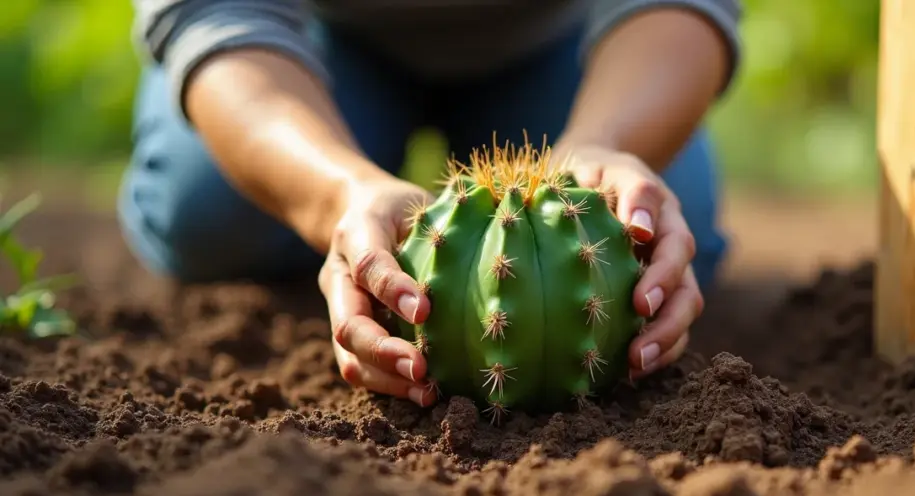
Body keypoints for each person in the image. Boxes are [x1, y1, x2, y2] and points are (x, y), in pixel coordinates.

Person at [122, 0, 743, 408]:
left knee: (659, 215)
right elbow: (215, 12)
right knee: (205, 204)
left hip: (564, 39)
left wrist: (604, 146)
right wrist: (342, 194)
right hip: (313, 41)